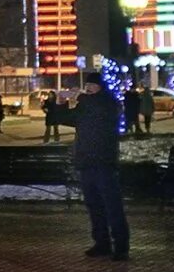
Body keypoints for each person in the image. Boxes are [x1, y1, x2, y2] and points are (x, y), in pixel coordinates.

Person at [54, 71, 129, 260]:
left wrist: (79, 96)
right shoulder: (86, 105)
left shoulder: (107, 103)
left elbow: (99, 108)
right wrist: (60, 103)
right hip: (86, 162)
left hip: (104, 162)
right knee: (94, 204)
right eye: (87, 86)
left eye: (91, 86)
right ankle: (101, 242)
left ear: (100, 87)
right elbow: (64, 118)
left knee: (112, 205)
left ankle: (121, 245)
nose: (88, 89)